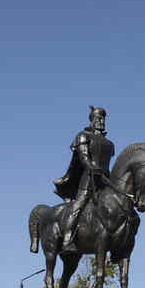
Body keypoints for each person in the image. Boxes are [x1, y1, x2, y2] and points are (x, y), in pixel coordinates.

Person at [53, 105, 115, 251]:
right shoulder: (83, 136)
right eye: (98, 118)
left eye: (103, 118)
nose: (101, 121)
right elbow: (84, 158)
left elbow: (107, 165)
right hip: (88, 179)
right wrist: (92, 168)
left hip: (104, 181)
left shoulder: (109, 144)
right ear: (92, 120)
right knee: (79, 205)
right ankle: (67, 238)